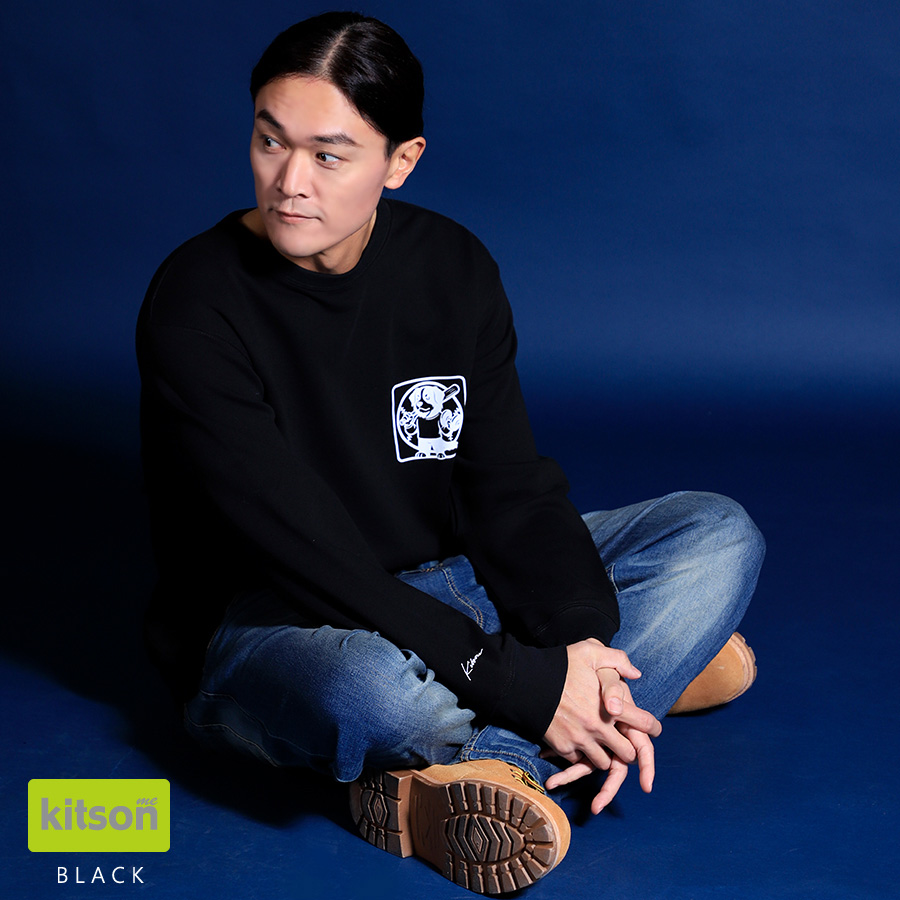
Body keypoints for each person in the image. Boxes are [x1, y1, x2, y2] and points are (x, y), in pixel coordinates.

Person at [136, 11, 765, 894]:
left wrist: (579, 641)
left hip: (448, 580)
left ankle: (513, 755)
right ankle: (636, 686)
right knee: (374, 696)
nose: (289, 182)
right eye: (270, 141)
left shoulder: (452, 266)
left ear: (401, 161)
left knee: (717, 532)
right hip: (281, 618)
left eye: (328, 155)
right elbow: (308, 555)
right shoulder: (195, 302)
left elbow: (508, 488)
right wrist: (523, 681)